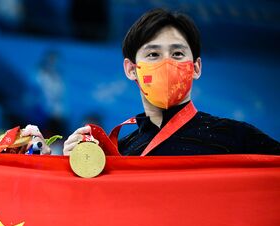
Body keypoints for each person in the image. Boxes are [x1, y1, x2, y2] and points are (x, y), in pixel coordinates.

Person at [63, 8, 280, 156]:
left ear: (196, 68)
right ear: (131, 69)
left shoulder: (236, 137)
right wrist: (65, 167)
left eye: (177, 54)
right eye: (153, 55)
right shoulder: (120, 153)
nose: (166, 63)